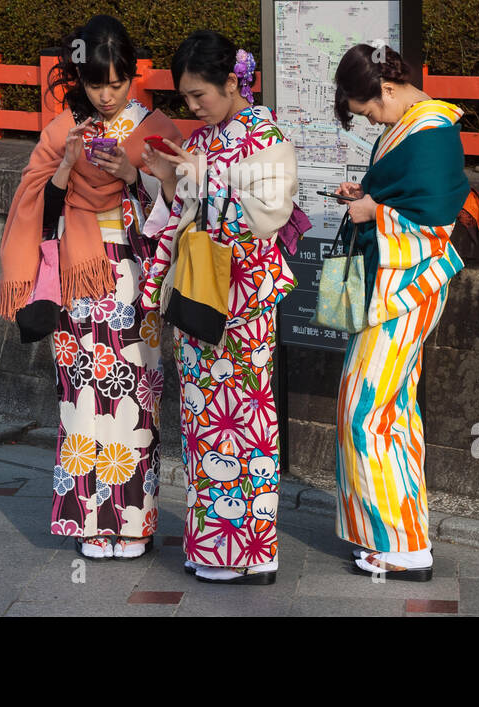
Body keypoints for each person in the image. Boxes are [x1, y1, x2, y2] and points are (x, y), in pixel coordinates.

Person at [0, 15, 181, 560]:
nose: (105, 95)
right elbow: (36, 209)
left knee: (135, 399)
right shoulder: (62, 129)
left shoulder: (156, 129)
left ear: (133, 75)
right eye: (95, 83)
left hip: (134, 279)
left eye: (117, 83)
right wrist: (64, 170)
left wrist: (132, 175)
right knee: (81, 398)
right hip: (78, 279)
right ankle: (89, 522)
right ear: (80, 77)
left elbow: (181, 210)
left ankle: (132, 522)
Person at [140, 31, 298, 585]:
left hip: (242, 304)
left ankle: (252, 552)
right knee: (204, 428)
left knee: (245, 428)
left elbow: (267, 216)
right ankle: (213, 547)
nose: (193, 106)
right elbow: (189, 206)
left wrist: (199, 180)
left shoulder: (264, 136)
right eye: (185, 98)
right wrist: (170, 181)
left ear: (233, 82)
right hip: (203, 296)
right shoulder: (208, 137)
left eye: (200, 94)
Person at [330, 43, 473, 581]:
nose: (369, 117)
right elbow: (408, 198)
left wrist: (374, 211)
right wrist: (365, 195)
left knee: (364, 410)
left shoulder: (432, 131)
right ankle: (404, 536)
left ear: (387, 89)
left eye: (368, 109)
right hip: (398, 282)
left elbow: (434, 220)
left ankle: (400, 545)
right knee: (392, 411)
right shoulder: (415, 123)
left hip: (406, 286)